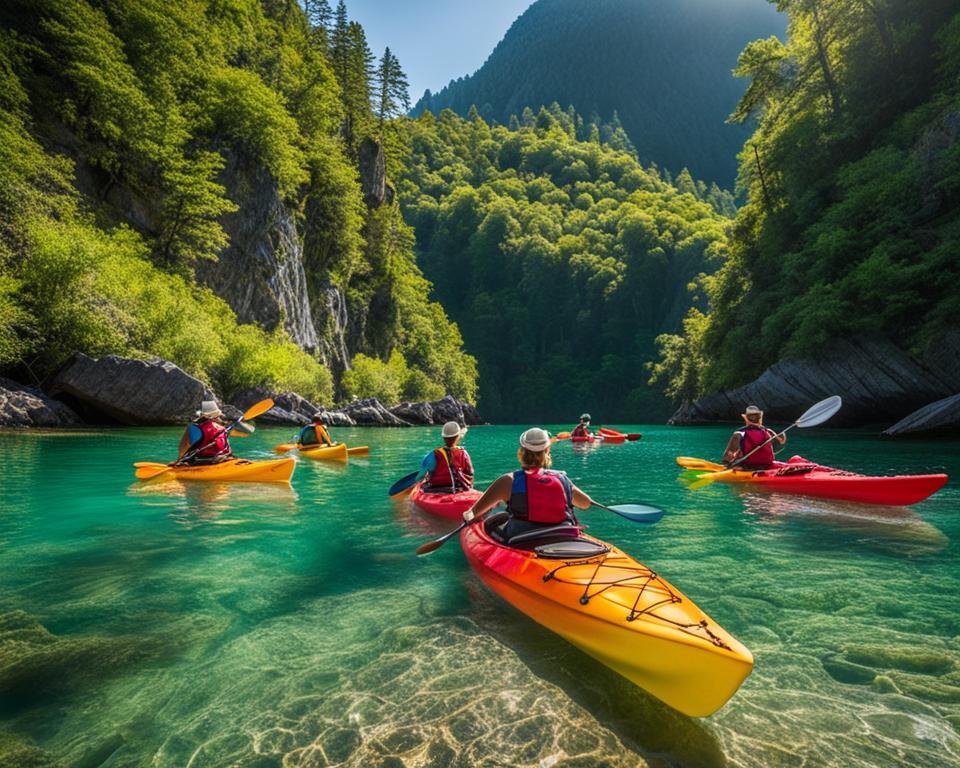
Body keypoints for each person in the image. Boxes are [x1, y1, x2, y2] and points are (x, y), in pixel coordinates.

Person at [462, 427, 594, 543]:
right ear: (547, 451)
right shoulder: (562, 478)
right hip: (563, 533)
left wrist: (466, 518)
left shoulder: (508, 481)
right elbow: (585, 503)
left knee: (488, 524)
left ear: (522, 451)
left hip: (522, 538)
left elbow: (474, 513)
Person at [722, 405, 786, 470]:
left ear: (745, 418)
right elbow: (781, 442)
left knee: (736, 456)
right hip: (767, 465)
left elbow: (727, 457)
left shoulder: (739, 433)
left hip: (748, 467)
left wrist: (727, 465)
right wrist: (782, 435)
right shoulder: (768, 431)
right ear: (760, 418)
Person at [420, 421, 474, 492]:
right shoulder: (463, 453)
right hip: (460, 488)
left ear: (443, 437)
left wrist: (420, 480)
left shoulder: (434, 454)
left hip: (435, 489)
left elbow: (422, 474)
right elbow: (470, 472)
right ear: (458, 437)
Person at [178, 400, 232, 465]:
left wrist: (180, 460)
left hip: (200, 461)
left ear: (202, 415)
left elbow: (183, 447)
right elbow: (227, 448)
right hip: (223, 459)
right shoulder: (222, 428)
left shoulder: (192, 427)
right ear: (217, 415)